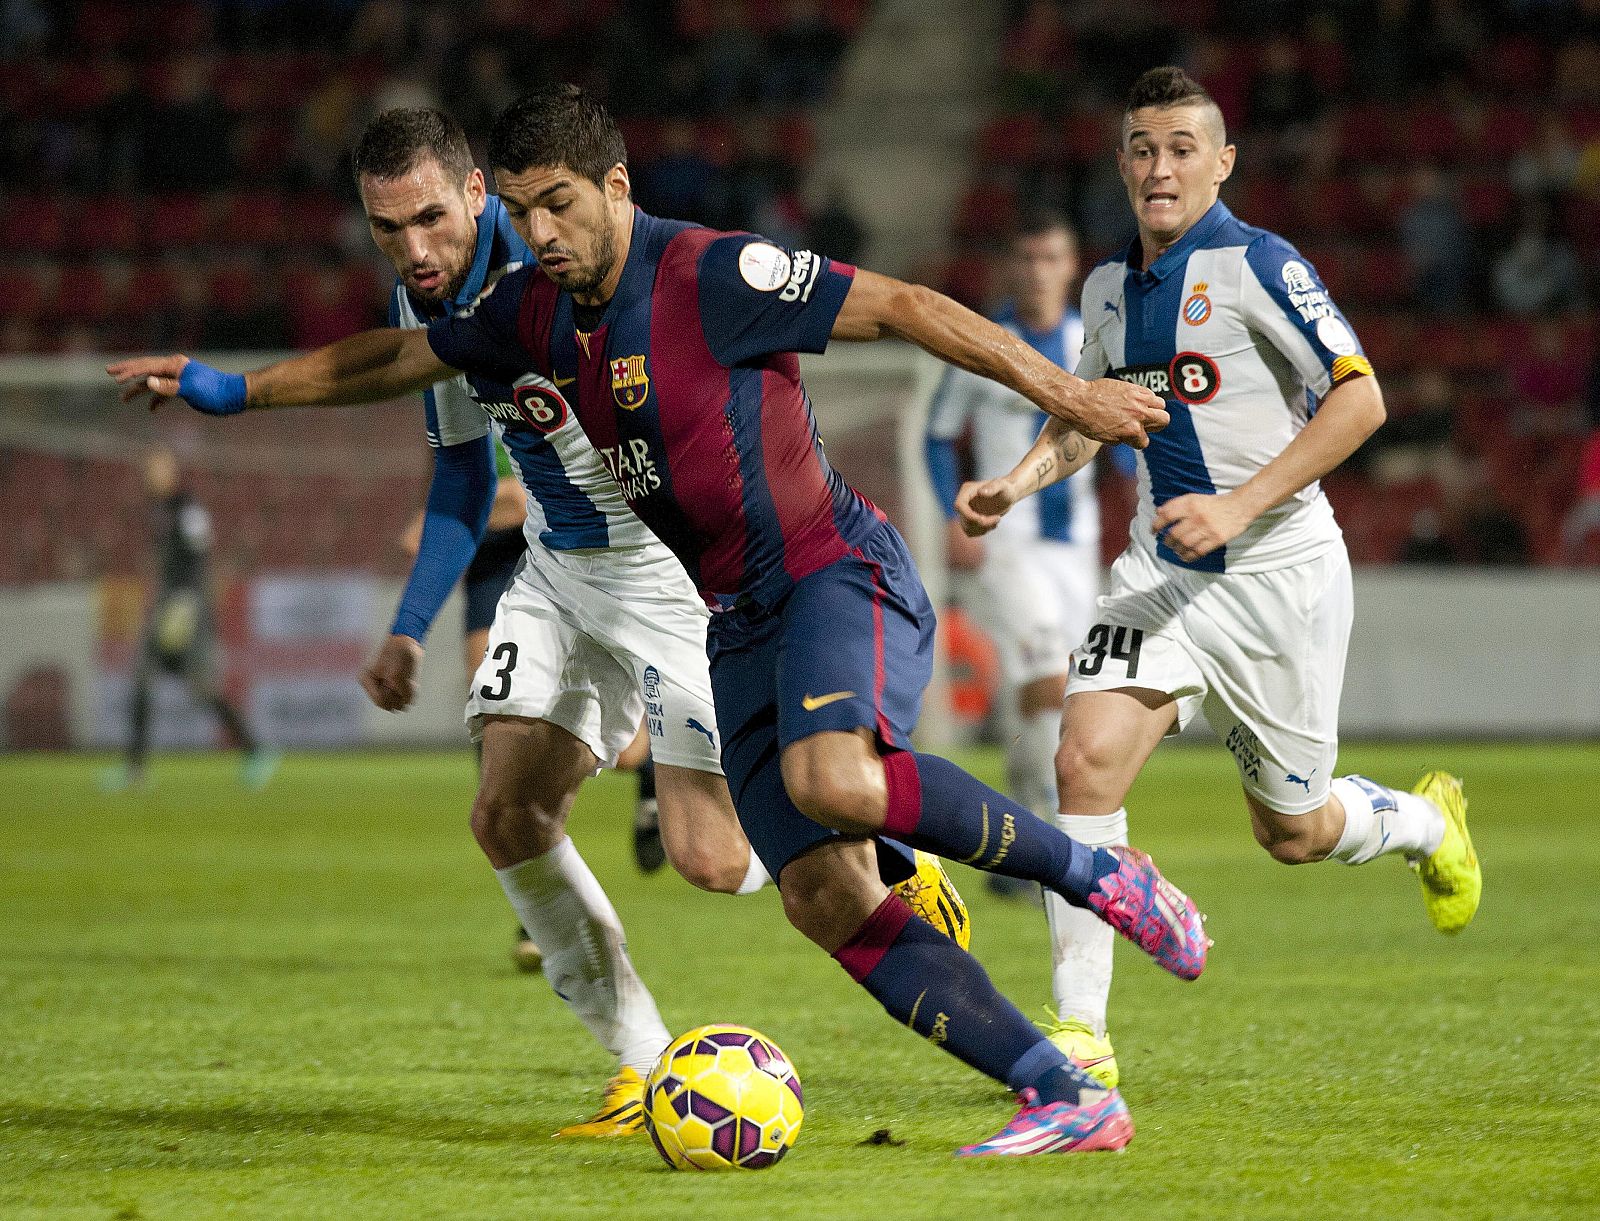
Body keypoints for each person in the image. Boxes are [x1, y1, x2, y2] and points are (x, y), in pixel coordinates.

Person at [112, 84, 1204, 1158]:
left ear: (607, 188)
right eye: (526, 215)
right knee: (816, 896)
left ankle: (1099, 876)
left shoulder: (711, 271)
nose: (540, 234)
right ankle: (1060, 1091)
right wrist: (231, 389)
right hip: (711, 610)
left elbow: (908, 307)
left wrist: (1068, 395)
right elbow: (402, 362)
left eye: (558, 207)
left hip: (822, 572)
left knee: (826, 787)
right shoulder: (522, 312)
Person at [956, 66, 1481, 1090]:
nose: (1161, 168)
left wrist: (1240, 505)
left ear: (1221, 163)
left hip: (1278, 576)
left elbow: (1359, 401)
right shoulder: (1106, 288)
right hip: (1159, 573)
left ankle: (1423, 823)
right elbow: (1089, 410)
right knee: (1083, 762)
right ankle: (1081, 1037)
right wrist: (1017, 483)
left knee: (1292, 830)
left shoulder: (1259, 266)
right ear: (1121, 164)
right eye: (1143, 149)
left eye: (1182, 148)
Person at [925, 210, 1133, 901]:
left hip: (1074, 542)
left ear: (1070, 266)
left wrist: (1138, 492)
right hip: (1006, 537)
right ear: (1013, 267)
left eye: (1051, 258)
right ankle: (1056, 847)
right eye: (1028, 258)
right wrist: (952, 509)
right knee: (1047, 667)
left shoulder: (1089, 343)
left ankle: (1017, 830)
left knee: (1062, 687)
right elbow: (936, 435)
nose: (1039, 271)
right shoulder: (988, 347)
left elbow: (1123, 437)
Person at [103, 447, 278, 792]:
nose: (151, 475)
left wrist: (187, 603)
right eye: (148, 469)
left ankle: (256, 751)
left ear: (171, 472)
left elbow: (199, 555)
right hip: (168, 603)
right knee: (143, 680)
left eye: (157, 468)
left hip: (185, 607)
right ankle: (135, 770)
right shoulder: (158, 511)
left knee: (199, 689)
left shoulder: (187, 508)